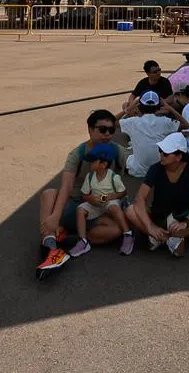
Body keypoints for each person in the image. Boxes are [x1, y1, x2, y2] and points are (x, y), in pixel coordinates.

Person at [37, 110, 130, 273]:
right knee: (49, 194)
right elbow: (66, 186)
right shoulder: (78, 154)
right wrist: (55, 216)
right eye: (102, 129)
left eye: (111, 130)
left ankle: (65, 239)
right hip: (76, 202)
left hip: (100, 206)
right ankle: (52, 245)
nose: (107, 134)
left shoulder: (118, 152)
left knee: (115, 230)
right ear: (90, 129)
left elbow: (128, 174)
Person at [125, 133, 189, 257]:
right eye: (160, 151)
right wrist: (150, 227)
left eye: (165, 153)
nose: (161, 155)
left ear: (178, 157)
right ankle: (166, 238)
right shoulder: (155, 168)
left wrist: (186, 222)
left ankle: (166, 237)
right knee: (130, 210)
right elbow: (140, 198)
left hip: (182, 216)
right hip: (159, 214)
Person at [69, 143, 130, 257]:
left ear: (103, 164)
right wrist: (90, 199)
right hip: (96, 204)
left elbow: (123, 192)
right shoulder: (90, 176)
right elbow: (84, 194)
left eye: (93, 161)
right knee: (80, 209)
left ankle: (127, 234)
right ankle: (83, 241)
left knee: (113, 206)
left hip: (110, 202)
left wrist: (113, 196)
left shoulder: (113, 177)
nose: (90, 163)